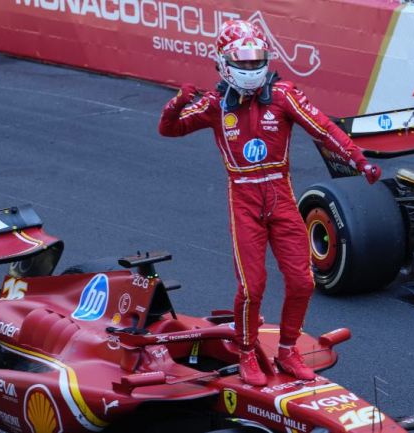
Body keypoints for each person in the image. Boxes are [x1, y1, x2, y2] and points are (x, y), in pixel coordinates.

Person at [158, 20, 381, 386]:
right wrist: (177, 102)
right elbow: (169, 129)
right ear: (224, 63)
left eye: (255, 60)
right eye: (241, 62)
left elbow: (323, 128)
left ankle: (288, 349)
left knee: (302, 281)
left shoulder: (284, 95)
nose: (250, 68)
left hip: (280, 196)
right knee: (252, 287)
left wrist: (359, 159)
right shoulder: (215, 104)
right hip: (243, 198)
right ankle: (246, 352)